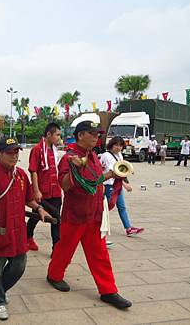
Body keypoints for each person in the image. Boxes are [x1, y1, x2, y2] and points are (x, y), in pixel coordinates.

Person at [47, 121, 132, 309]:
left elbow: (96, 179)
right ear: (80, 135)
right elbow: (65, 185)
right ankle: (54, 275)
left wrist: (113, 174)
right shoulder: (69, 157)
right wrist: (75, 169)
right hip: (76, 214)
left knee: (100, 254)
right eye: (92, 133)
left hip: (94, 214)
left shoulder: (92, 155)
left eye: (97, 133)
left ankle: (108, 291)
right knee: (65, 249)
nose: (96, 137)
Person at [0, 137, 51, 320]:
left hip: (17, 231)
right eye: (9, 152)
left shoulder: (21, 175)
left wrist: (39, 209)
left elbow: (29, 199)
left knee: (19, 266)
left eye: (16, 152)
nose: (14, 156)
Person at [26, 122, 62, 251]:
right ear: (48, 134)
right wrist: (36, 190)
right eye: (57, 135)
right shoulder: (37, 149)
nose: (59, 138)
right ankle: (27, 237)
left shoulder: (54, 149)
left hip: (56, 191)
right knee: (36, 217)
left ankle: (56, 248)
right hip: (43, 191)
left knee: (56, 219)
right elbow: (33, 170)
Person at [100, 136, 144, 237]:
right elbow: (114, 173)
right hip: (108, 185)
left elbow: (122, 169)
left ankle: (128, 228)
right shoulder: (106, 156)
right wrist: (125, 185)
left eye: (120, 145)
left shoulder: (119, 154)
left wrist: (125, 181)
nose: (118, 148)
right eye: (116, 145)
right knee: (105, 208)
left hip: (117, 184)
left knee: (122, 207)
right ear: (111, 145)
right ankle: (98, 229)